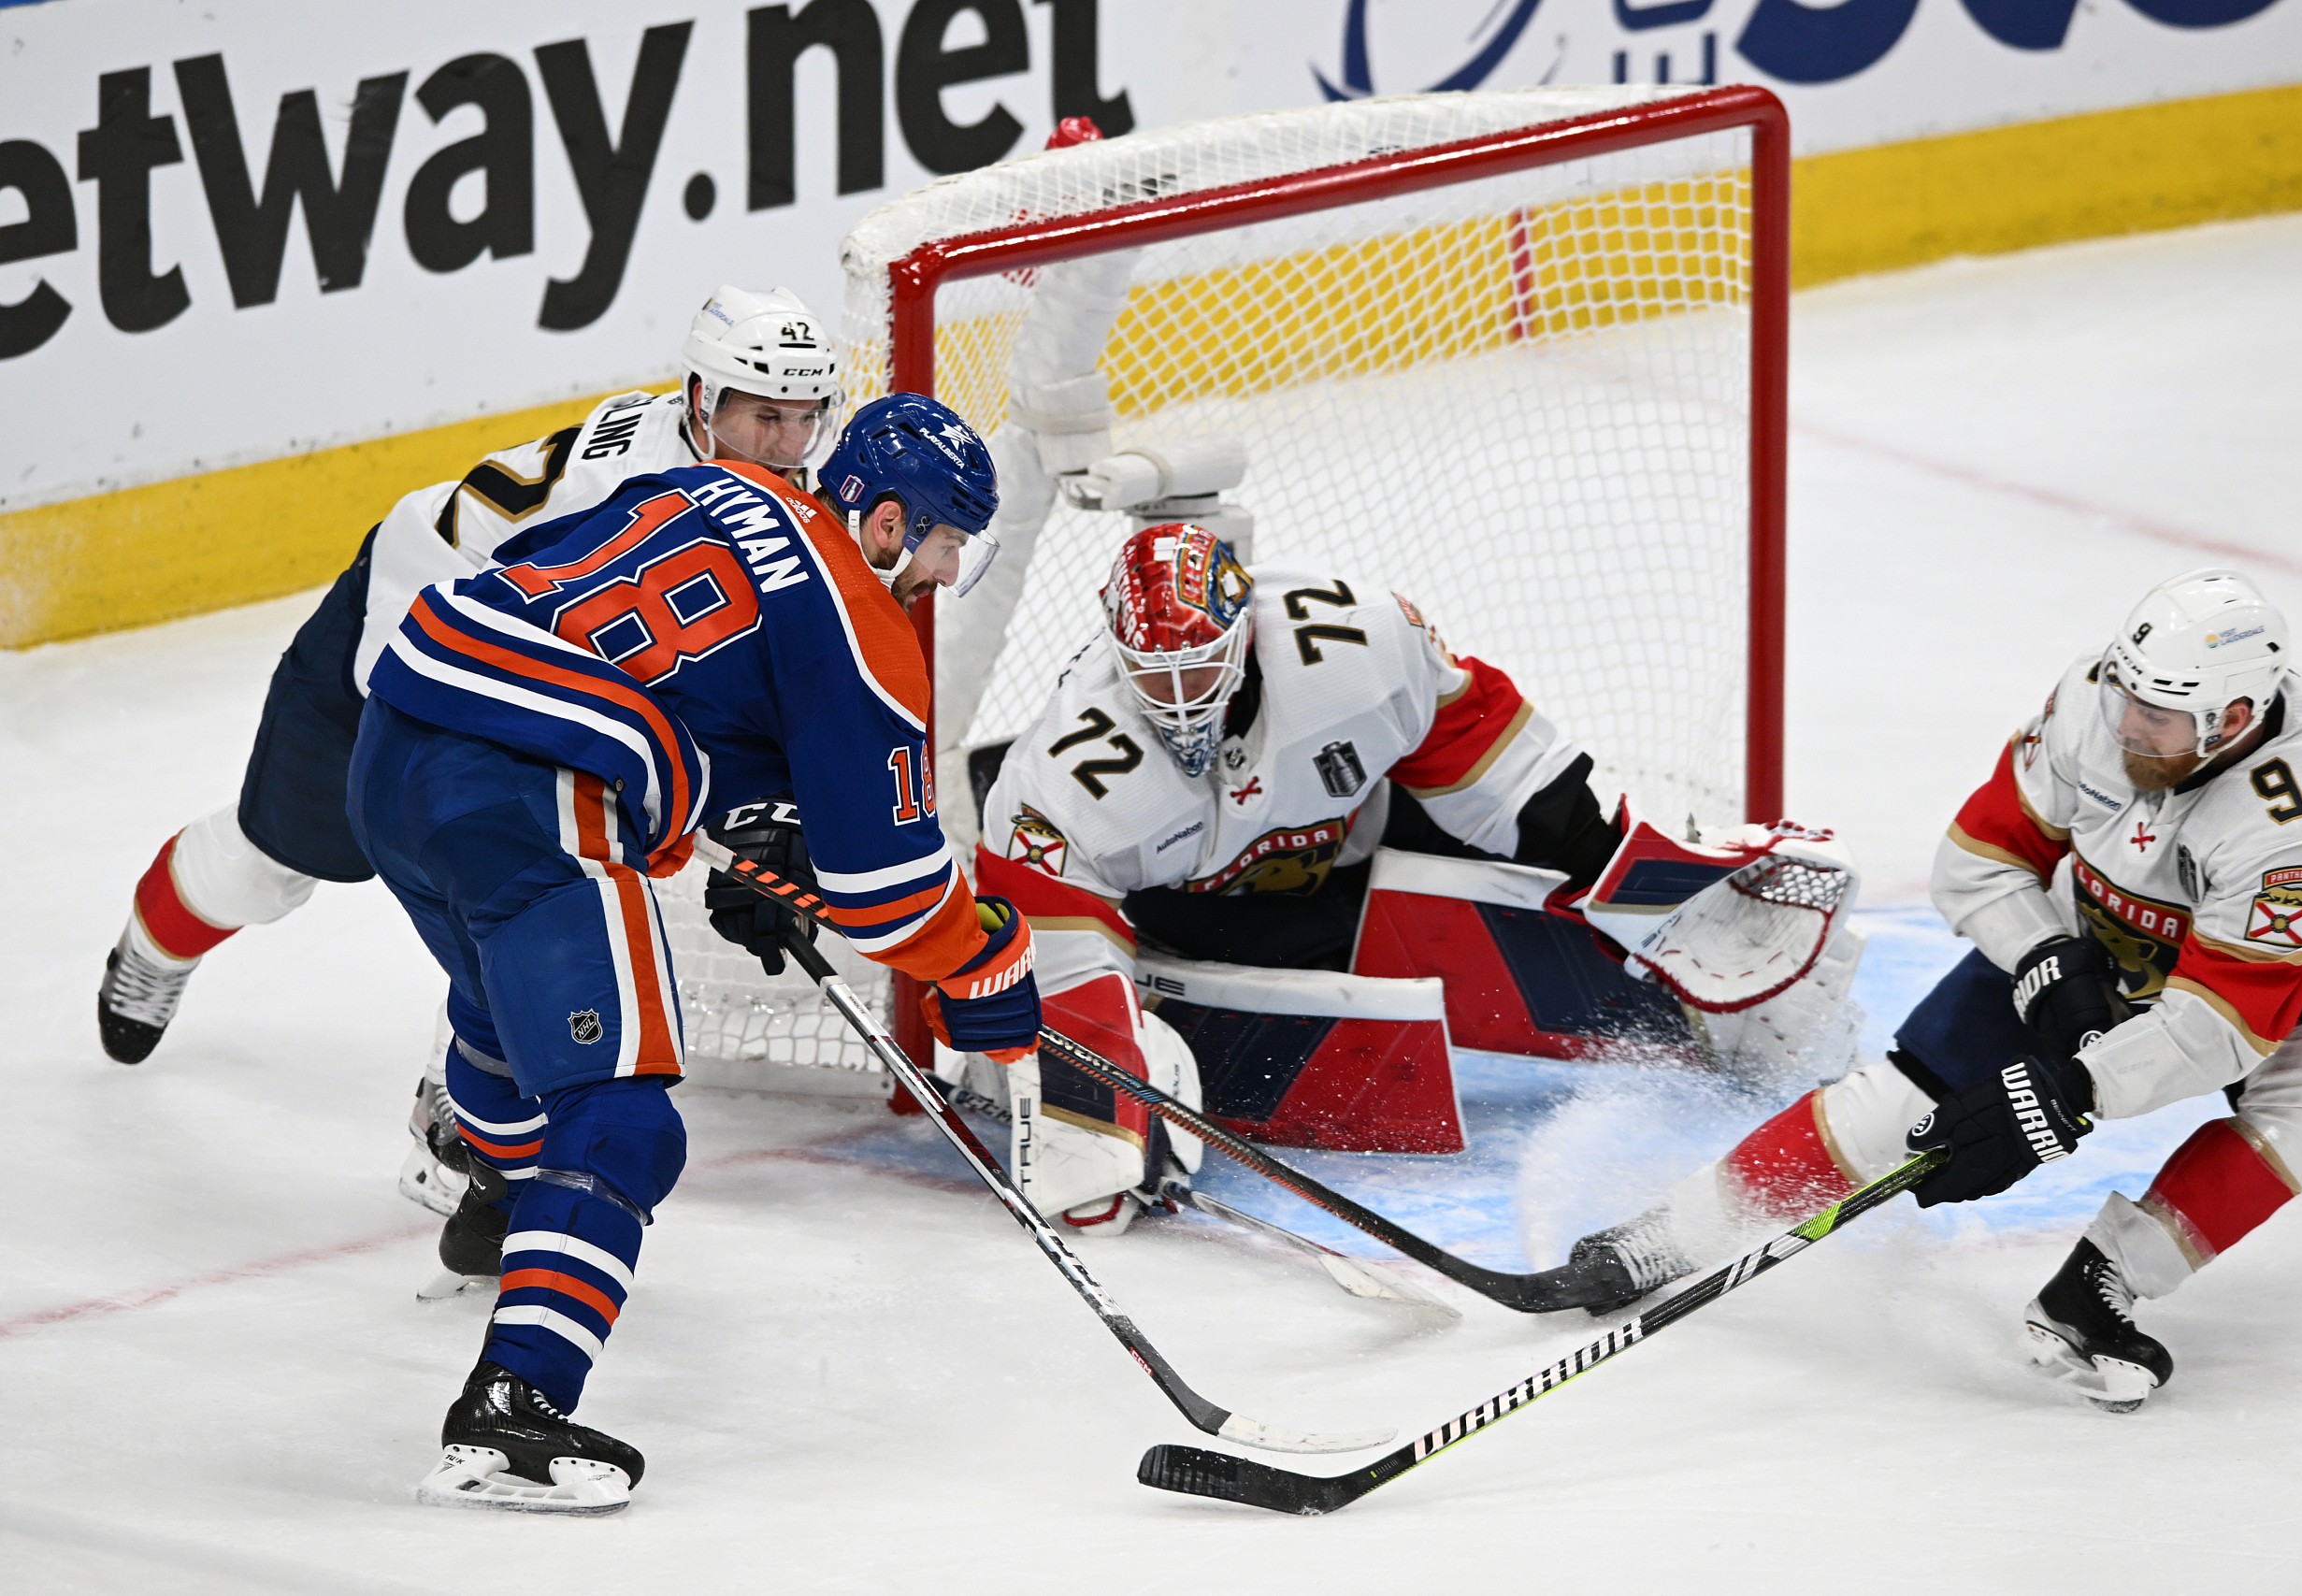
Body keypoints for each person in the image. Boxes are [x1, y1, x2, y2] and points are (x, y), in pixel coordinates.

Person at [355, 393, 1040, 1512]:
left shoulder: (723, 484)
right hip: (531, 792)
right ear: (885, 523)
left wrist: (754, 815)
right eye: (946, 539)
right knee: (623, 1117)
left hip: (399, 742)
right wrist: (984, 967)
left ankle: (497, 1190)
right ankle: (512, 1411)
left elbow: (568, 590)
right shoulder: (866, 626)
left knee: (498, 1009)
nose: (944, 572)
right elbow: (890, 898)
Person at [1551, 568, 2302, 1411]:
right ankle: (1673, 1232)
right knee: (1900, 1101)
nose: (2126, 725)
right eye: (2127, 698)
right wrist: (2043, 955)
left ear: (2232, 721)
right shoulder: (2094, 699)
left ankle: (2100, 1286)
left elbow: (2225, 1021)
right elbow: (1978, 860)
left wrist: (2069, 1090)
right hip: (2093, 924)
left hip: (2289, 967)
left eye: (2158, 717)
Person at [971, 522, 1854, 1238]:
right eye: (1153, 676)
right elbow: (1050, 939)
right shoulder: (1062, 778)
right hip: (1208, 921)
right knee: (1379, 1005)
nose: (1180, 699)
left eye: (1200, 667)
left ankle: (1714, 1010)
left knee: (1520, 883)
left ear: (1244, 631)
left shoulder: (1355, 640)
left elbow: (1495, 758)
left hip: (1364, 830)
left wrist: (1635, 875)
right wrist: (1100, 1098)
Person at [96, 285, 842, 1068]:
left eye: (804, 417)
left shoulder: (762, 479)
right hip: (410, 629)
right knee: (271, 865)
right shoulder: (623, 488)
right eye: (766, 418)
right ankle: (153, 948)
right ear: (701, 402)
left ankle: (464, 1107)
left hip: (530, 656)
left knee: (529, 899)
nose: (788, 444)